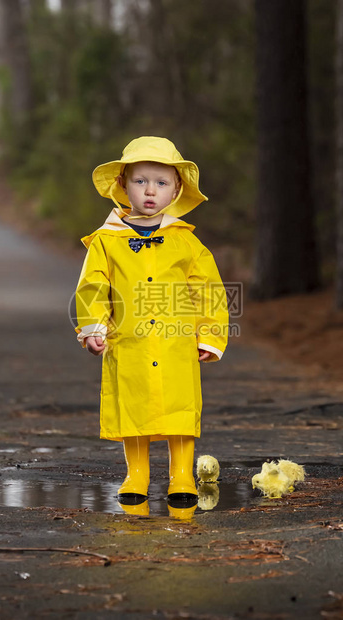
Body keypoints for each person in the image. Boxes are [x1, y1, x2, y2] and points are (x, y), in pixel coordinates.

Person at [74, 136, 228, 513]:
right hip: (129, 341)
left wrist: (209, 334)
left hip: (176, 342)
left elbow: (208, 291)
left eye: (161, 183)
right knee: (134, 405)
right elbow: (93, 286)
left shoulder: (187, 243)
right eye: (141, 181)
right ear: (123, 184)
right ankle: (137, 473)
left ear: (176, 189)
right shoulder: (107, 242)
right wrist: (93, 327)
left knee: (179, 406)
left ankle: (182, 475)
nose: (149, 191)